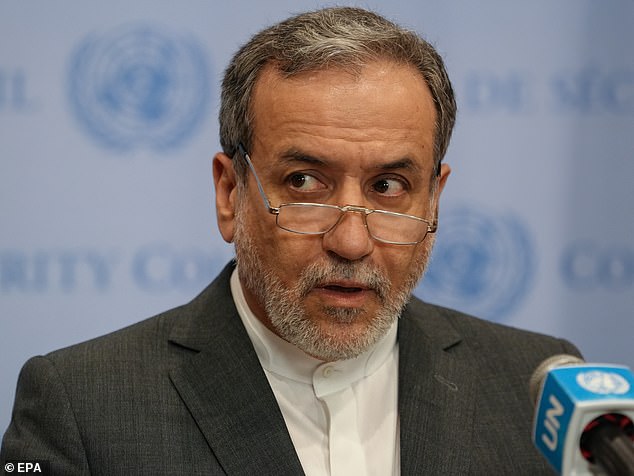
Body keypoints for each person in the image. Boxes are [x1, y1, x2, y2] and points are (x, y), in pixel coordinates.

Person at [1, 7, 580, 475]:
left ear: (434, 201)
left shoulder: (539, 391)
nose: (351, 242)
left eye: (389, 186)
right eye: (304, 184)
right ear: (230, 193)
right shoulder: (83, 408)